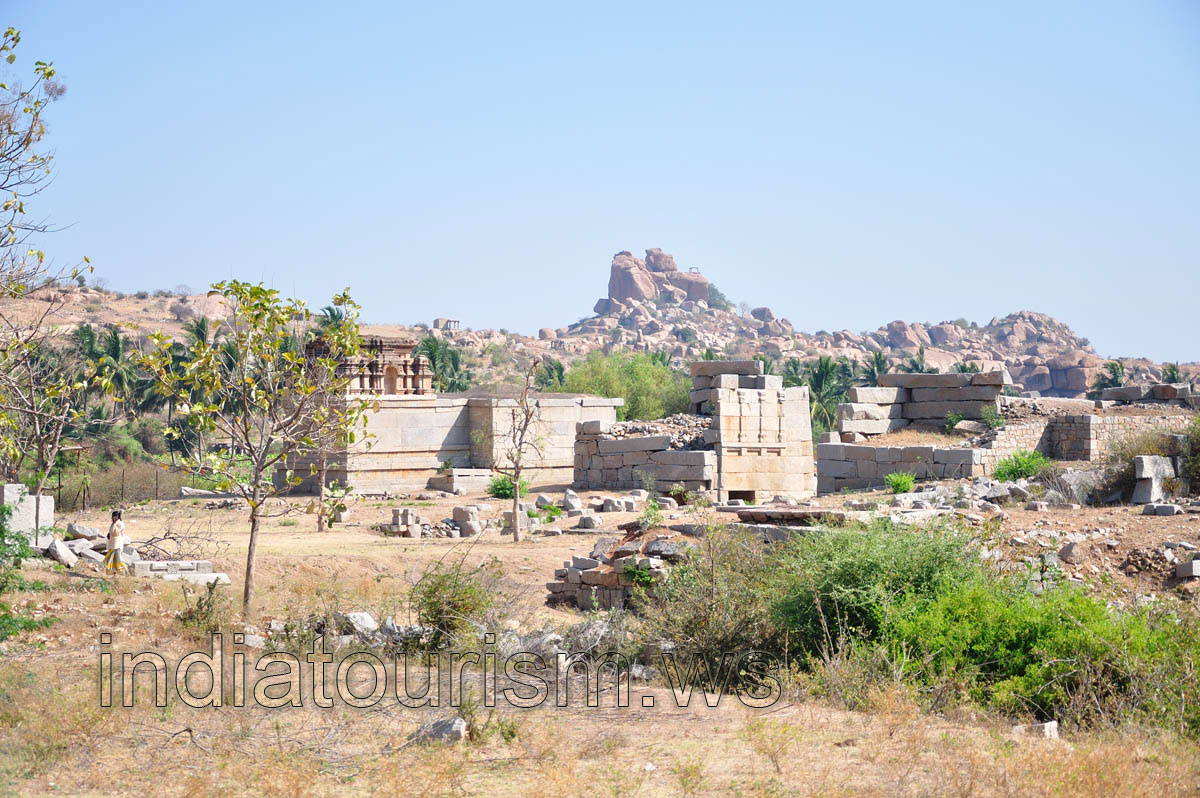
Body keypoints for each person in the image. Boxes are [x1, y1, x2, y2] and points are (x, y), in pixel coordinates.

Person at [103, 510, 129, 575]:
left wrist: (114, 525)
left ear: (118, 517)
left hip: (117, 545)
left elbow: (116, 533)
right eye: (113, 517)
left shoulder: (120, 524)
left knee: (119, 560)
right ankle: (114, 574)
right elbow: (111, 532)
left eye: (115, 517)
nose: (113, 518)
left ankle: (127, 572)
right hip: (112, 545)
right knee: (112, 561)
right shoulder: (113, 524)